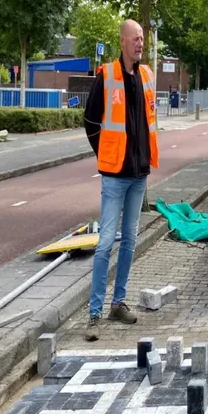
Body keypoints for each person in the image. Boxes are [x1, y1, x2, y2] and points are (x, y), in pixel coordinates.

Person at [83, 19, 160, 342]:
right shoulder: (107, 75)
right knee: (104, 245)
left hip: (138, 173)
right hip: (114, 175)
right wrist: (105, 154)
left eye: (143, 38)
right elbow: (90, 119)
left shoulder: (146, 76)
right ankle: (94, 313)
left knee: (129, 241)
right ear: (123, 41)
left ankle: (118, 303)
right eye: (136, 38)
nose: (141, 43)